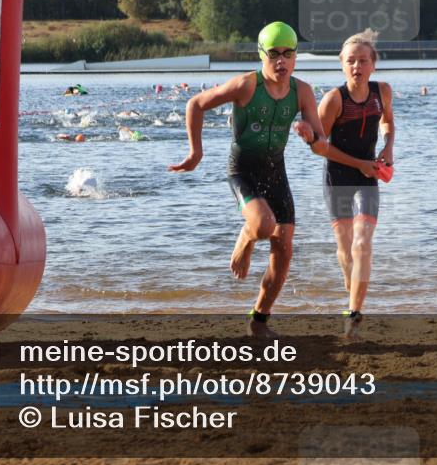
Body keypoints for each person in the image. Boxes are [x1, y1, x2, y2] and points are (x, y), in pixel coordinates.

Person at [168, 22, 368, 339]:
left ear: (295, 57)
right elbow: (196, 104)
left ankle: (258, 320)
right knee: (262, 225)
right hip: (243, 168)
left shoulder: (302, 91)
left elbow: (320, 142)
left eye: (288, 53)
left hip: (276, 169)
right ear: (262, 55)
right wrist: (196, 153)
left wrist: (309, 134)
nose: (281, 61)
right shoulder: (247, 85)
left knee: (284, 248)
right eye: (273, 54)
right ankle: (246, 239)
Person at [311, 32, 394, 338]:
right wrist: (358, 163)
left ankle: (354, 314)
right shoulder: (334, 99)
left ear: (373, 64)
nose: (357, 66)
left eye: (363, 60)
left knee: (362, 243)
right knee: (345, 249)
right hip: (338, 177)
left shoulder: (382, 92)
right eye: (351, 61)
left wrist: (388, 147)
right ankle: (352, 291)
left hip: (368, 177)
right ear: (342, 66)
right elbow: (319, 147)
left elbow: (387, 124)